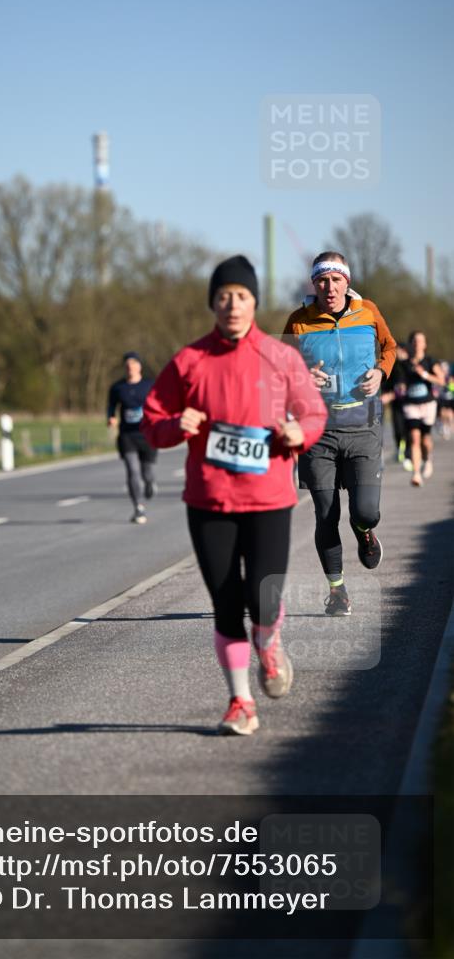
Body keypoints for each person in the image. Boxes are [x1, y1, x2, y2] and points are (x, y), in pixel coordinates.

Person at [142, 256, 327, 735]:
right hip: (209, 501)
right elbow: (152, 418)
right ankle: (241, 702)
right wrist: (171, 425)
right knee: (225, 604)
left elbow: (313, 414)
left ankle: (269, 640)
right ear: (213, 303)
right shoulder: (189, 361)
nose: (232, 305)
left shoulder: (282, 357)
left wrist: (296, 433)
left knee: (262, 598)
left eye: (241, 296)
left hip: (268, 499)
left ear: (254, 302)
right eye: (223, 296)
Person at [283, 252, 396, 617]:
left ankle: (364, 532)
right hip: (317, 432)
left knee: (366, 510)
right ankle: (337, 591)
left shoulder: (368, 312)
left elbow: (390, 349)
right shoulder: (298, 322)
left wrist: (381, 372)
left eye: (335, 279)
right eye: (321, 281)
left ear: (346, 281)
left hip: (363, 426)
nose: (328, 287)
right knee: (325, 514)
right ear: (313, 284)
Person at [107, 352, 157, 524]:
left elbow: (160, 403)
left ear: (139, 366)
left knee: (147, 473)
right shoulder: (117, 388)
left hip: (148, 435)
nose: (130, 367)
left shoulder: (150, 385)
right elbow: (111, 406)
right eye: (127, 365)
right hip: (127, 435)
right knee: (132, 470)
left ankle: (150, 484)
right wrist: (111, 417)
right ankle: (138, 508)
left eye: (134, 364)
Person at [397, 331, 445, 486]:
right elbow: (400, 382)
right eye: (415, 341)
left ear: (425, 344)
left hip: (428, 404)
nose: (417, 343)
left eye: (420, 341)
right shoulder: (405, 364)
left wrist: (424, 374)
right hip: (411, 405)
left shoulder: (430, 361)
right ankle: (416, 474)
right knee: (414, 438)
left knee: (425, 439)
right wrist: (401, 387)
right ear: (411, 344)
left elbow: (441, 380)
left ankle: (428, 458)